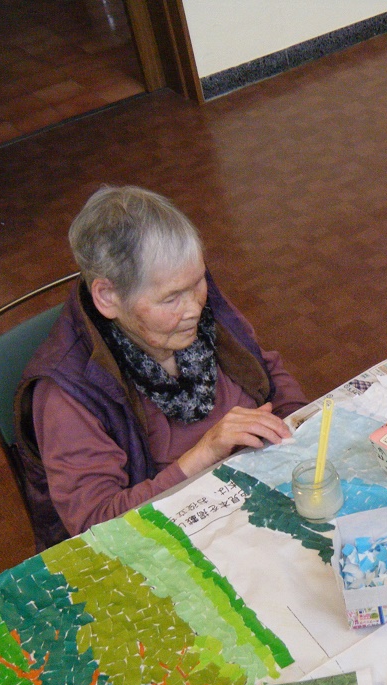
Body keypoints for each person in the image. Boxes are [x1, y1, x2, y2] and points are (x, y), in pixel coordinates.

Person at [16, 185, 307, 549]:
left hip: (256, 493)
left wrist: (298, 432)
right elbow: (96, 526)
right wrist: (204, 454)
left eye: (198, 282)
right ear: (108, 296)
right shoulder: (67, 393)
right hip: (168, 541)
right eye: (171, 299)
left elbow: (266, 370)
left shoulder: (191, 302)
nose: (194, 308)